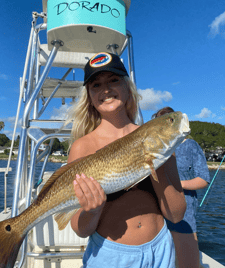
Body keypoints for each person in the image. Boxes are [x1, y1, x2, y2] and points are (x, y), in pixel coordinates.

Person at [66, 52, 186, 268]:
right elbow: (80, 229)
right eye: (96, 85)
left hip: (160, 250)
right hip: (109, 256)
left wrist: (157, 159)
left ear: (127, 87)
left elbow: (176, 215)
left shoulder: (159, 138)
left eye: (114, 80)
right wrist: (91, 210)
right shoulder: (82, 147)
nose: (106, 89)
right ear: (89, 97)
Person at [152, 106, 211, 268]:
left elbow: (203, 179)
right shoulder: (153, 146)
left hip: (185, 215)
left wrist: (177, 185)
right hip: (156, 214)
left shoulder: (190, 146)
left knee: (187, 264)